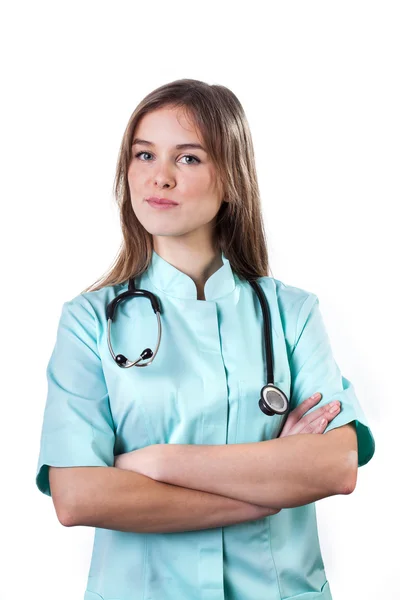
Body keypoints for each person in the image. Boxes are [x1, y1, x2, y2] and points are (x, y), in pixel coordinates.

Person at [35, 78, 375, 600]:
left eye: (189, 159)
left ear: (231, 176)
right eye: (144, 155)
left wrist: (157, 462)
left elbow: (335, 465)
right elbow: (78, 496)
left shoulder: (292, 313)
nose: (160, 177)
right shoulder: (88, 322)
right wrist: (266, 493)